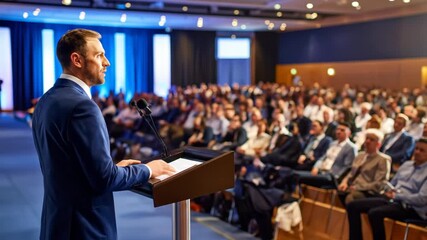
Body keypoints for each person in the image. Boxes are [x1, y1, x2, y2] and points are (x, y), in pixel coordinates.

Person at [32, 29, 175, 240]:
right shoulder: (83, 107)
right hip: (84, 228)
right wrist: (147, 169)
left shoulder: (46, 101)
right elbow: (104, 180)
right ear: (77, 60)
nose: (106, 62)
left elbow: (69, 168)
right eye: (99, 55)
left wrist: (112, 168)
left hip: (57, 224)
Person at [346, 137, 427, 240]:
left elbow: (422, 199)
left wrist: (398, 196)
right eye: (416, 149)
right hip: (392, 200)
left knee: (375, 213)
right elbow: (392, 183)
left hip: (411, 207)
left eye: (422, 150)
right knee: (353, 205)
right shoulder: (407, 165)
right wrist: (388, 190)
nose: (417, 152)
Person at [337, 128, 391, 205]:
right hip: (352, 187)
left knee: (351, 197)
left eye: (372, 140)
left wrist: (359, 187)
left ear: (378, 144)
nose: (368, 141)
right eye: (367, 138)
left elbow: (379, 183)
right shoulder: (360, 155)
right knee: (335, 191)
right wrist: (344, 182)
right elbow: (351, 173)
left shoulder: (383, 159)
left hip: (367, 192)